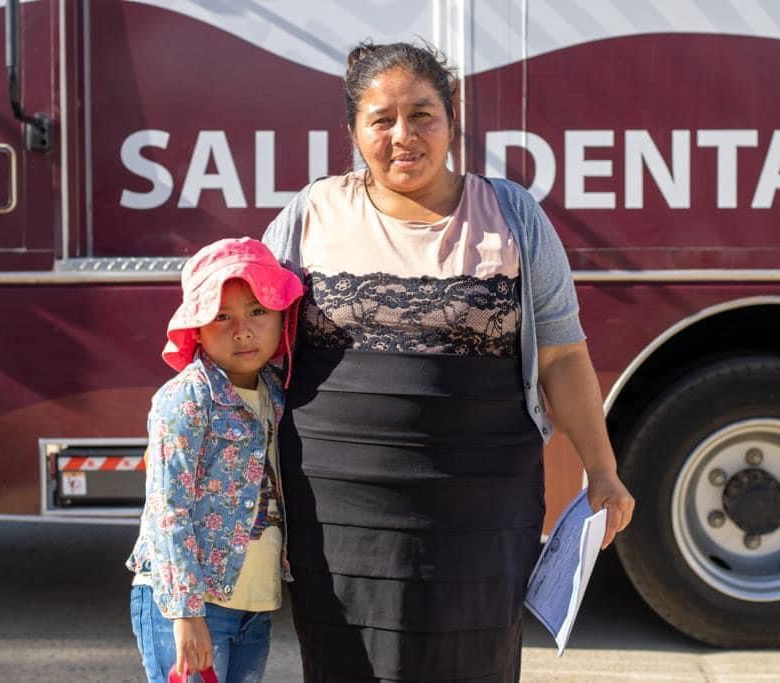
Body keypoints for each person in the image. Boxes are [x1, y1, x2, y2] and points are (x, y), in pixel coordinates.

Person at [263, 41, 635, 682]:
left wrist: (602, 471)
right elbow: (251, 348)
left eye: (422, 115)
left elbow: (564, 356)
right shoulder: (310, 216)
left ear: (453, 119)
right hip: (337, 517)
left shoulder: (512, 215)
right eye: (381, 119)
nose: (402, 136)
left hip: (481, 513)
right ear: (354, 128)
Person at [125, 238, 303, 683]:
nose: (242, 330)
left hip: (254, 606)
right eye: (222, 316)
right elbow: (168, 509)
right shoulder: (187, 398)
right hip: (189, 607)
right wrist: (186, 614)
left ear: (282, 316)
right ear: (196, 328)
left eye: (257, 311)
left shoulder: (278, 391)